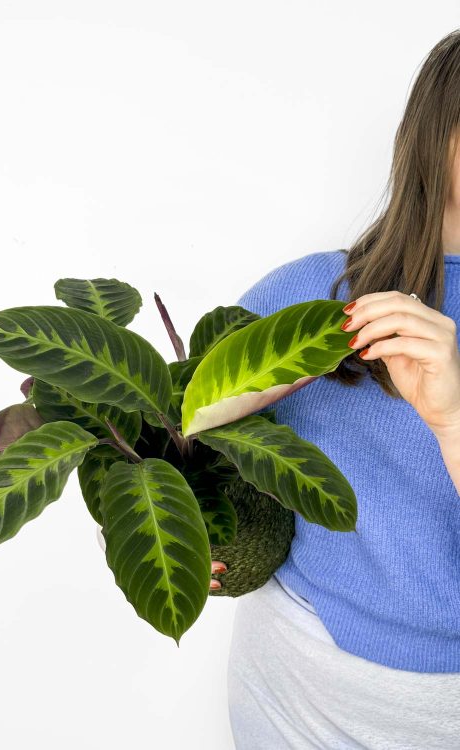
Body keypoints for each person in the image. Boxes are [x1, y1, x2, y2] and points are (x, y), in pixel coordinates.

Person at [214, 29, 460, 749]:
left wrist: (451, 419)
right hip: (296, 694)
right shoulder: (308, 296)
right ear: (434, 135)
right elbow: (163, 446)